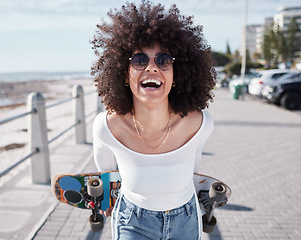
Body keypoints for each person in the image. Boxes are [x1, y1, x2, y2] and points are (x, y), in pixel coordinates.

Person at [91, 1, 215, 239]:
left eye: (164, 60)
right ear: (124, 74)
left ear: (176, 74)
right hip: (132, 221)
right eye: (139, 60)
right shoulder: (108, 127)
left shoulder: (200, 124)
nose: (151, 67)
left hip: (187, 219)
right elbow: (105, 170)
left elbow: (195, 168)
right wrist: (106, 195)